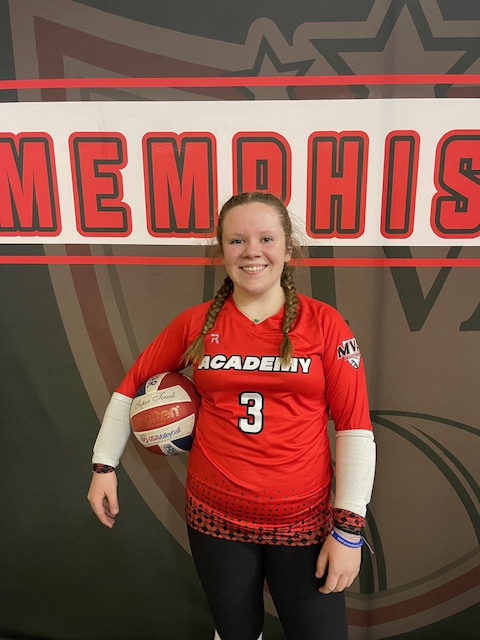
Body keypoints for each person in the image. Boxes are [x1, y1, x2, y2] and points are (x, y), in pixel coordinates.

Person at [87, 191, 376, 640]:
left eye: (266, 238)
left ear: (288, 248)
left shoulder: (325, 324)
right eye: (237, 240)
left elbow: (355, 428)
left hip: (302, 521)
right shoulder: (197, 323)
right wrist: (104, 465)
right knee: (235, 632)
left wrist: (349, 531)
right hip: (216, 518)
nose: (252, 251)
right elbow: (130, 387)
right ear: (221, 251)